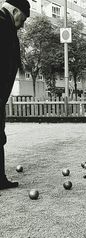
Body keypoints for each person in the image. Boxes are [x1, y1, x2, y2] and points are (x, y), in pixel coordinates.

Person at [0, 0, 30, 189]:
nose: (23, 24)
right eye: (23, 18)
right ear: (15, 10)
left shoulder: (6, 24)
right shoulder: (3, 25)